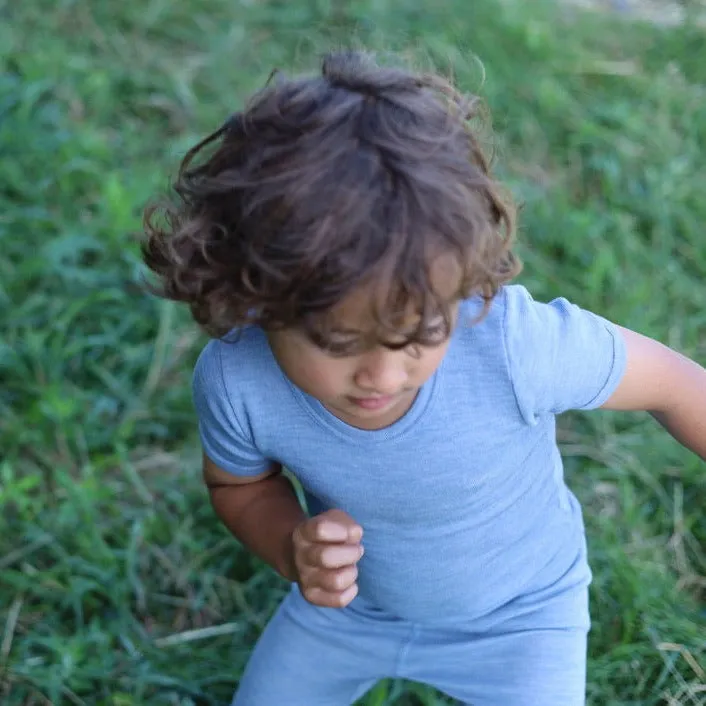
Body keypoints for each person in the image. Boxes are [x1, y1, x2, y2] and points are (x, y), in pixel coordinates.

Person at [142, 50, 706, 706]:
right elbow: (239, 485)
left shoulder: (510, 343)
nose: (383, 372)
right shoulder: (239, 378)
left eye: (419, 333)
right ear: (257, 297)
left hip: (521, 618)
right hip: (350, 615)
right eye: (338, 342)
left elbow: (672, 383)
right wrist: (289, 548)